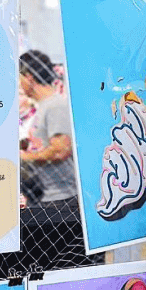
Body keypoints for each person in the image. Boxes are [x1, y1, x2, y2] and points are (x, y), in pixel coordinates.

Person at [17, 49, 93, 270]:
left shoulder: (55, 106)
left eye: (20, 78)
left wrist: (24, 157)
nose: (20, 84)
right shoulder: (45, 108)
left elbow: (61, 150)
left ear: (29, 77)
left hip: (59, 205)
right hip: (47, 201)